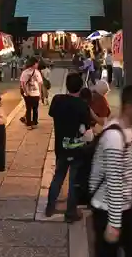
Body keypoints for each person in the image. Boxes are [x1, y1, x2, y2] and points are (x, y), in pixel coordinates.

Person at [89, 85, 132, 257]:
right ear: (129, 107)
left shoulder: (126, 129)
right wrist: (114, 223)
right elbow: (114, 180)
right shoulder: (115, 137)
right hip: (108, 209)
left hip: (124, 207)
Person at [45, 73, 92, 223]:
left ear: (66, 84)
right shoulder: (82, 105)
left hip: (60, 145)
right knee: (73, 180)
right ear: (81, 87)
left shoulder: (57, 100)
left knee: (58, 175)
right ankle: (71, 212)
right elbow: (87, 128)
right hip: (76, 147)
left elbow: (51, 113)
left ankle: (50, 207)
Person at [20, 56, 43, 129]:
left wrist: (25, 92)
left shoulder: (25, 72)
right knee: (33, 109)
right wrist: (39, 92)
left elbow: (22, 83)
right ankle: (33, 123)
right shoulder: (36, 72)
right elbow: (40, 83)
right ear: (33, 64)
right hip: (33, 93)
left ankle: (30, 124)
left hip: (31, 93)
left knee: (30, 109)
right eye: (37, 63)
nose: (37, 65)